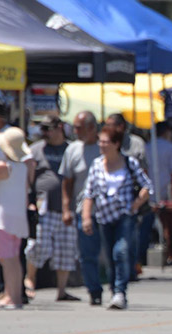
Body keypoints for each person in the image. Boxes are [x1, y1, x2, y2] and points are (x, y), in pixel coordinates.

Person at [81, 126, 152, 310]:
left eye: (105, 142)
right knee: (110, 257)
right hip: (104, 217)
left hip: (124, 216)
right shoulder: (97, 165)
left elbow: (146, 186)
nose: (101, 145)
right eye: (100, 141)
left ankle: (120, 291)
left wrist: (135, 205)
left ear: (116, 144)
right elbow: (88, 193)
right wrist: (86, 217)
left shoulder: (129, 163)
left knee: (120, 252)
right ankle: (114, 289)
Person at [24, 115, 79, 302]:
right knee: (39, 245)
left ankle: (61, 291)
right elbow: (28, 179)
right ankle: (29, 281)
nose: (45, 133)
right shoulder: (36, 150)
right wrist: (29, 201)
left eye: (48, 128)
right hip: (43, 206)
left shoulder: (71, 149)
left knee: (65, 250)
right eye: (43, 129)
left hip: (67, 208)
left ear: (60, 128)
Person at [0, 127, 31, 310]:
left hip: (3, 216)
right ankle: (15, 295)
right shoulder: (21, 167)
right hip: (18, 216)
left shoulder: (4, 166)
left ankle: (11, 296)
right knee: (14, 259)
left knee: (6, 259)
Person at [60, 111, 103, 305]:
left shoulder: (106, 147)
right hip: (82, 211)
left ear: (92, 128)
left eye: (79, 127)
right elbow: (67, 183)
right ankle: (94, 290)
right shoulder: (72, 150)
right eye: (74, 127)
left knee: (115, 252)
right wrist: (66, 208)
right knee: (87, 254)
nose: (75, 131)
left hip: (108, 210)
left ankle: (118, 287)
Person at [144, 121, 172, 268]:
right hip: (164, 191)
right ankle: (171, 254)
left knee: (147, 226)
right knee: (168, 226)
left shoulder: (146, 146)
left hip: (148, 191)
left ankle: (144, 254)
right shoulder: (170, 147)